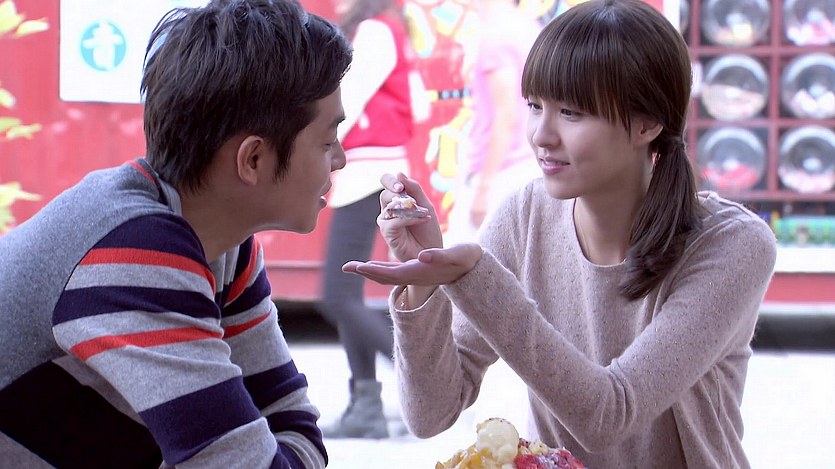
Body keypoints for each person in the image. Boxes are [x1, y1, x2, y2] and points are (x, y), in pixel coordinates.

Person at [343, 0, 777, 467]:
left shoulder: (733, 245)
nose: (541, 135)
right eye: (535, 106)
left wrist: (478, 280)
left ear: (648, 123)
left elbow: (610, 414)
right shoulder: (525, 216)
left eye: (571, 112)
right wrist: (424, 280)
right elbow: (431, 413)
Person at [0, 0, 351, 467]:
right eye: (327, 141)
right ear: (252, 159)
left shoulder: (224, 247)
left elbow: (291, 424)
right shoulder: (132, 249)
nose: (340, 159)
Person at [317, 0, 421, 439]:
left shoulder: (376, 31)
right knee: (347, 293)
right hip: (375, 170)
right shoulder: (391, 28)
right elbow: (418, 106)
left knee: (338, 295)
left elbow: (346, 104)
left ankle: (429, 372)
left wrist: (318, 149)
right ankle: (366, 406)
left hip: (366, 172)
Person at [444, 0, 541, 245]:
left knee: (464, 260)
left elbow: (505, 114)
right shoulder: (529, 27)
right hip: (526, 163)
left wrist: (484, 188)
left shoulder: (496, 36)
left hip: (499, 173)